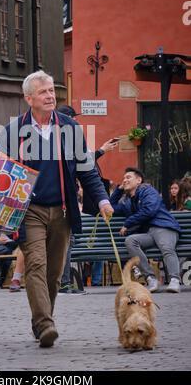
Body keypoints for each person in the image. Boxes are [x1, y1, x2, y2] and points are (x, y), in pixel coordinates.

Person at [0, 70, 113, 347]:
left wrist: (103, 200)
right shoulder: (14, 131)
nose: (50, 96)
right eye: (43, 92)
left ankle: (42, 318)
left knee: (54, 274)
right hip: (30, 210)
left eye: (51, 91)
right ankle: (45, 324)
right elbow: (0, 173)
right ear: (29, 98)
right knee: (35, 264)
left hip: (62, 210)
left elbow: (87, 170)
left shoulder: (69, 127)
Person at [57, 104, 119, 292]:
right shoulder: (61, 138)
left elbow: (85, 166)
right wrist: (101, 150)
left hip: (68, 201)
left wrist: (103, 200)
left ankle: (63, 281)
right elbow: (83, 163)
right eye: (74, 118)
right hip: (59, 201)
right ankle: (63, 281)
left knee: (69, 240)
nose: (76, 121)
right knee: (66, 241)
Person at [110, 167, 181, 293]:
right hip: (149, 234)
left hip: (163, 226)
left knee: (166, 247)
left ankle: (174, 280)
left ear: (139, 180)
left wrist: (127, 223)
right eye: (124, 178)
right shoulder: (127, 202)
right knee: (130, 241)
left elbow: (149, 210)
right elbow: (111, 208)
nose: (125, 180)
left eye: (128, 177)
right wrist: (119, 190)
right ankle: (150, 278)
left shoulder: (148, 191)